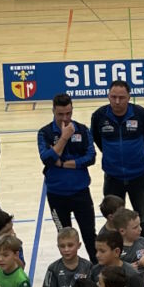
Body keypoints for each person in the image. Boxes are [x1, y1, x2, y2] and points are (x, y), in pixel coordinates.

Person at [92, 80, 144, 243]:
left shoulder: (141, 114)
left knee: (142, 217)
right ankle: (118, 250)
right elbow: (97, 140)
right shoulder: (99, 116)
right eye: (113, 97)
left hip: (138, 176)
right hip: (113, 177)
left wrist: (136, 153)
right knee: (114, 219)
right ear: (108, 96)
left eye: (121, 97)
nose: (117, 101)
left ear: (129, 97)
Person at [39, 93, 98, 242]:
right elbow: (47, 159)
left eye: (68, 113)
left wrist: (63, 163)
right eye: (60, 114)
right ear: (53, 111)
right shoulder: (45, 133)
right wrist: (64, 137)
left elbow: (91, 157)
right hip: (56, 195)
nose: (65, 118)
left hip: (81, 192)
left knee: (90, 236)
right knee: (65, 238)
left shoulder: (82, 130)